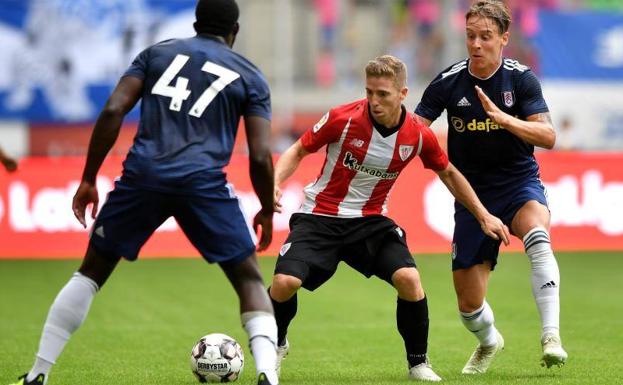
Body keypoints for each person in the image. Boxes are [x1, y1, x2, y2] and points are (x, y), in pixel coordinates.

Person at [9, 1, 280, 385]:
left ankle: (38, 374)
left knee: (90, 272)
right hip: (203, 183)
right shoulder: (249, 75)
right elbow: (259, 154)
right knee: (249, 279)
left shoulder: (157, 53)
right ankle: (269, 375)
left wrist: (89, 179)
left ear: (196, 22)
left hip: (143, 177)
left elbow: (113, 109)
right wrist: (267, 209)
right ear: (234, 30)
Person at [268, 55, 510, 382]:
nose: (374, 101)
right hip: (319, 216)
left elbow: (449, 173)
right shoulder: (343, 119)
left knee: (409, 279)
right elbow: (298, 149)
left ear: (402, 94)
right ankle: (277, 344)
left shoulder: (417, 135)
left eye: (383, 94)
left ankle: (418, 364)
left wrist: (483, 216)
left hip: (370, 221)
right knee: (284, 284)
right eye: (370, 92)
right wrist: (274, 183)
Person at [414, 0, 568, 374]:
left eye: (485, 37)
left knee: (537, 233)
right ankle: (488, 340)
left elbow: (547, 135)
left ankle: (551, 336)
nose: (476, 44)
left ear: (504, 39)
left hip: (518, 184)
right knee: (468, 306)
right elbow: (415, 127)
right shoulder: (449, 81)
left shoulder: (521, 79)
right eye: (470, 36)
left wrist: (503, 118)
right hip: (471, 195)